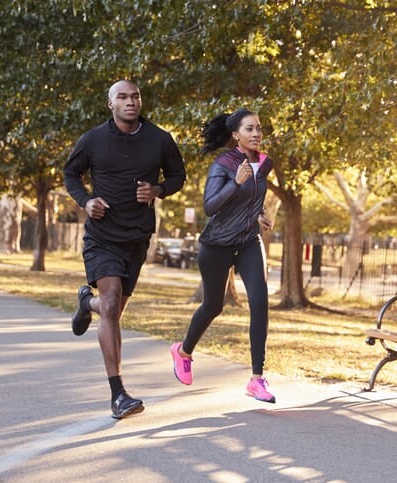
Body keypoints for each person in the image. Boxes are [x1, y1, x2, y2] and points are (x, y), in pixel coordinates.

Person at [64, 79, 186, 419]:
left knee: (111, 310)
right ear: (111, 104)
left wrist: (159, 190)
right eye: (123, 97)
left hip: (137, 238)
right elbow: (71, 174)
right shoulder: (93, 140)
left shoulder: (160, 139)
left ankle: (87, 303)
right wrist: (86, 201)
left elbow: (178, 176)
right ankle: (118, 394)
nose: (130, 102)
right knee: (112, 301)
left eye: (135, 96)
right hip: (102, 236)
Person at [170, 108, 276, 403]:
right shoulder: (224, 164)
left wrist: (260, 215)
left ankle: (257, 379)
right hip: (216, 245)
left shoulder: (265, 164)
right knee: (213, 306)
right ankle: (183, 351)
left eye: (259, 128)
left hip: (248, 242)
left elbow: (253, 199)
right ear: (235, 135)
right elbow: (210, 206)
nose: (256, 133)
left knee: (260, 301)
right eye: (249, 129)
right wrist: (235, 183)